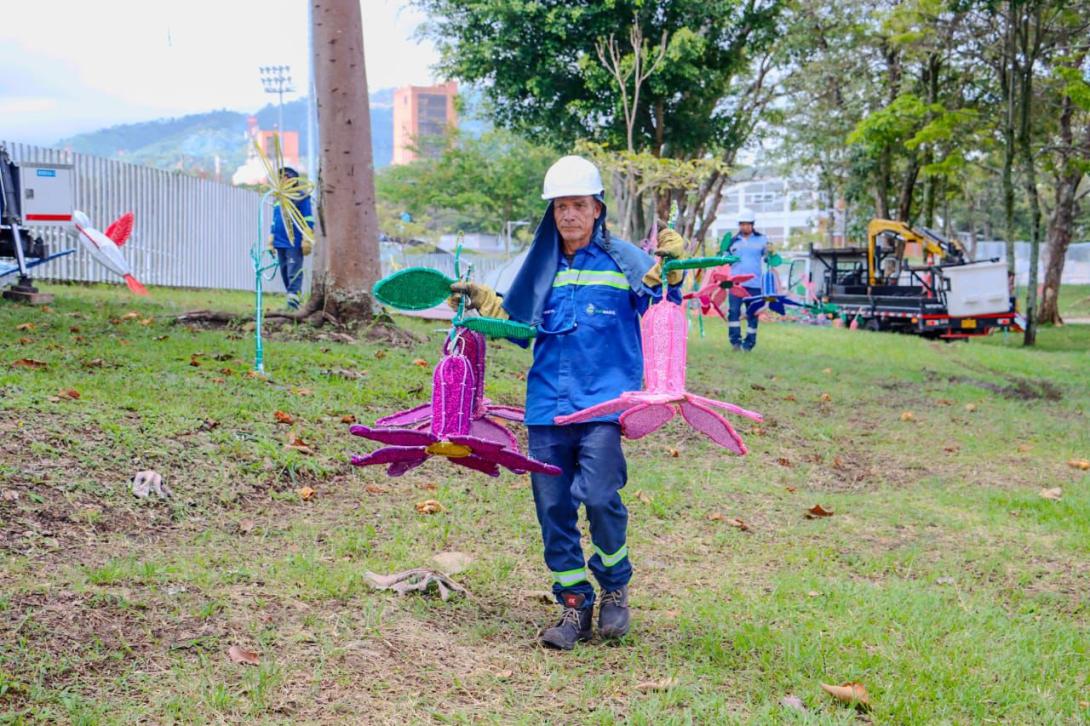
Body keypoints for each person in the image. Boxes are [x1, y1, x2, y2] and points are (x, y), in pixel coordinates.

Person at [448, 155, 685, 650]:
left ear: (597, 209)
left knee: (599, 497)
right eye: (560, 206)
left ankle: (615, 586)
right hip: (546, 409)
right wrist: (480, 304)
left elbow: (662, 309)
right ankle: (573, 604)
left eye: (578, 205)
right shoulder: (537, 266)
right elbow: (516, 325)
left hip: (603, 406)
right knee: (552, 508)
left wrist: (675, 274)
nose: (569, 215)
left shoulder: (626, 261)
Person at [719, 209, 771, 351]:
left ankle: (749, 343)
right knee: (734, 311)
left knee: (752, 313)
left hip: (754, 284)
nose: (744, 227)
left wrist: (771, 253)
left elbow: (769, 258)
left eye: (747, 224)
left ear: (752, 224)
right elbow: (724, 259)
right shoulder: (732, 241)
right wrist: (722, 254)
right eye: (742, 224)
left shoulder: (762, 240)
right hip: (735, 284)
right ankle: (735, 341)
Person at [269, 167, 314, 310]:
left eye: (286, 176)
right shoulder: (278, 198)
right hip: (279, 241)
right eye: (280, 176)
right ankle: (291, 299)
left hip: (294, 241)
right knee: (284, 270)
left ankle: (294, 301)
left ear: (293, 179)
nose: (282, 179)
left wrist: (306, 238)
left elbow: (308, 218)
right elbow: (275, 219)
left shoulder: (301, 196)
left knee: (293, 270)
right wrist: (271, 238)